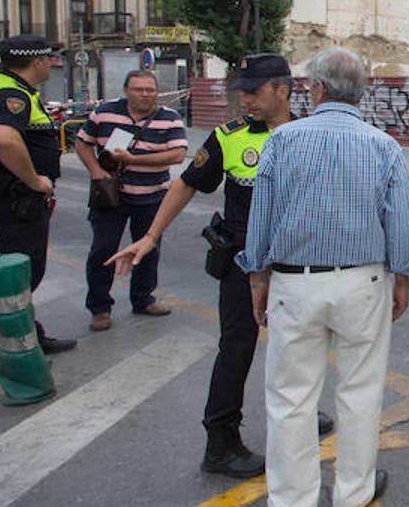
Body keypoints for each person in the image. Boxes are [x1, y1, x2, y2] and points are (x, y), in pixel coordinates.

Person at [108, 54, 333, 478]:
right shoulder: (228, 137)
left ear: (282, 90)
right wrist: (150, 236)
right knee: (237, 346)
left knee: (301, 344)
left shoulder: (312, 134)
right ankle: (221, 441)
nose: (245, 99)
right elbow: (187, 185)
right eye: (241, 91)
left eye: (254, 91)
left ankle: (300, 414)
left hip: (298, 264)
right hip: (242, 266)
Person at [237, 48, 409, 507]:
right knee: (360, 392)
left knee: (291, 398)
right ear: (362, 91)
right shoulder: (383, 147)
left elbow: (261, 221)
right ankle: (352, 495)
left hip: (294, 283)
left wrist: (257, 279)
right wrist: (402, 278)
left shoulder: (281, 142)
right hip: (363, 283)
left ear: (315, 89)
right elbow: (398, 224)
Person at [0, 35, 77, 378]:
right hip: (14, 196)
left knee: (24, 272)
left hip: (7, 194)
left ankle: (28, 335)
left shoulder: (6, 87)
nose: (51, 64)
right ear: (37, 61)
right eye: (49, 59)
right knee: (17, 277)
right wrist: (34, 180)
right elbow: (3, 138)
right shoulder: (9, 94)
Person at [75, 71, 186, 331]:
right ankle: (100, 308)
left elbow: (179, 154)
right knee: (103, 250)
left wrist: (135, 161)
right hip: (111, 196)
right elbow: (82, 143)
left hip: (152, 196)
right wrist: (95, 171)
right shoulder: (105, 112)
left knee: (148, 251)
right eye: (139, 89)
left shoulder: (169, 118)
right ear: (126, 90)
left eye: (150, 89)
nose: (146, 94)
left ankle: (143, 299)